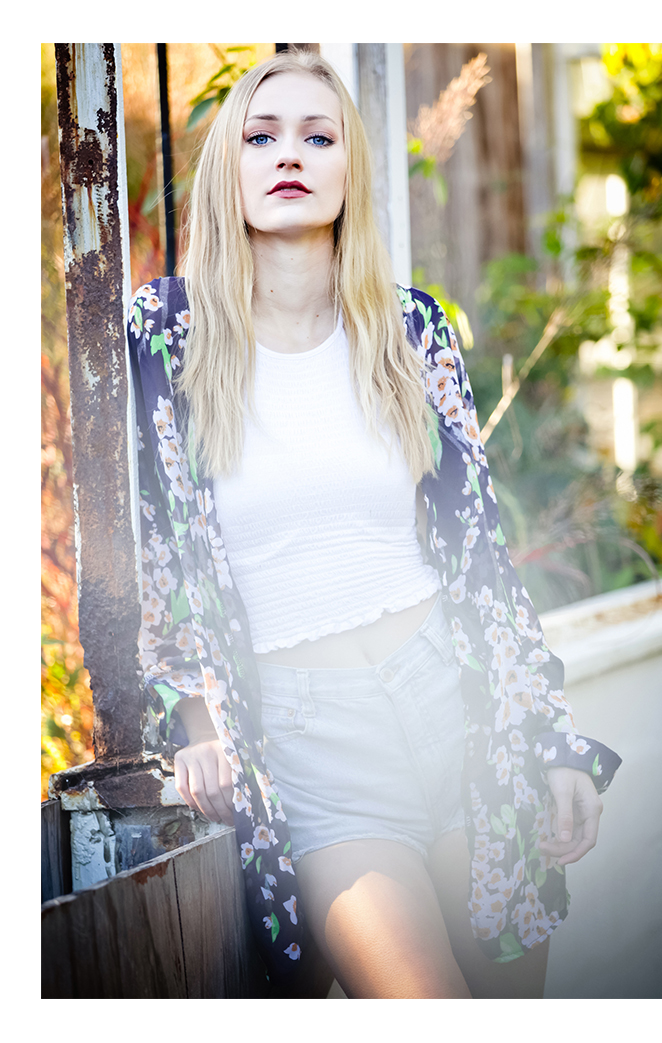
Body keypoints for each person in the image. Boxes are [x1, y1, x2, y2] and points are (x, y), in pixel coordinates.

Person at [127, 48, 621, 999]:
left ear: (350, 168)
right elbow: (160, 551)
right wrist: (192, 716)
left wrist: (547, 737)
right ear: (231, 162)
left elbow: (480, 552)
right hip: (313, 752)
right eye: (263, 135)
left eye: (319, 136)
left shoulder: (412, 329)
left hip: (459, 707)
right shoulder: (167, 334)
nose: (290, 154)